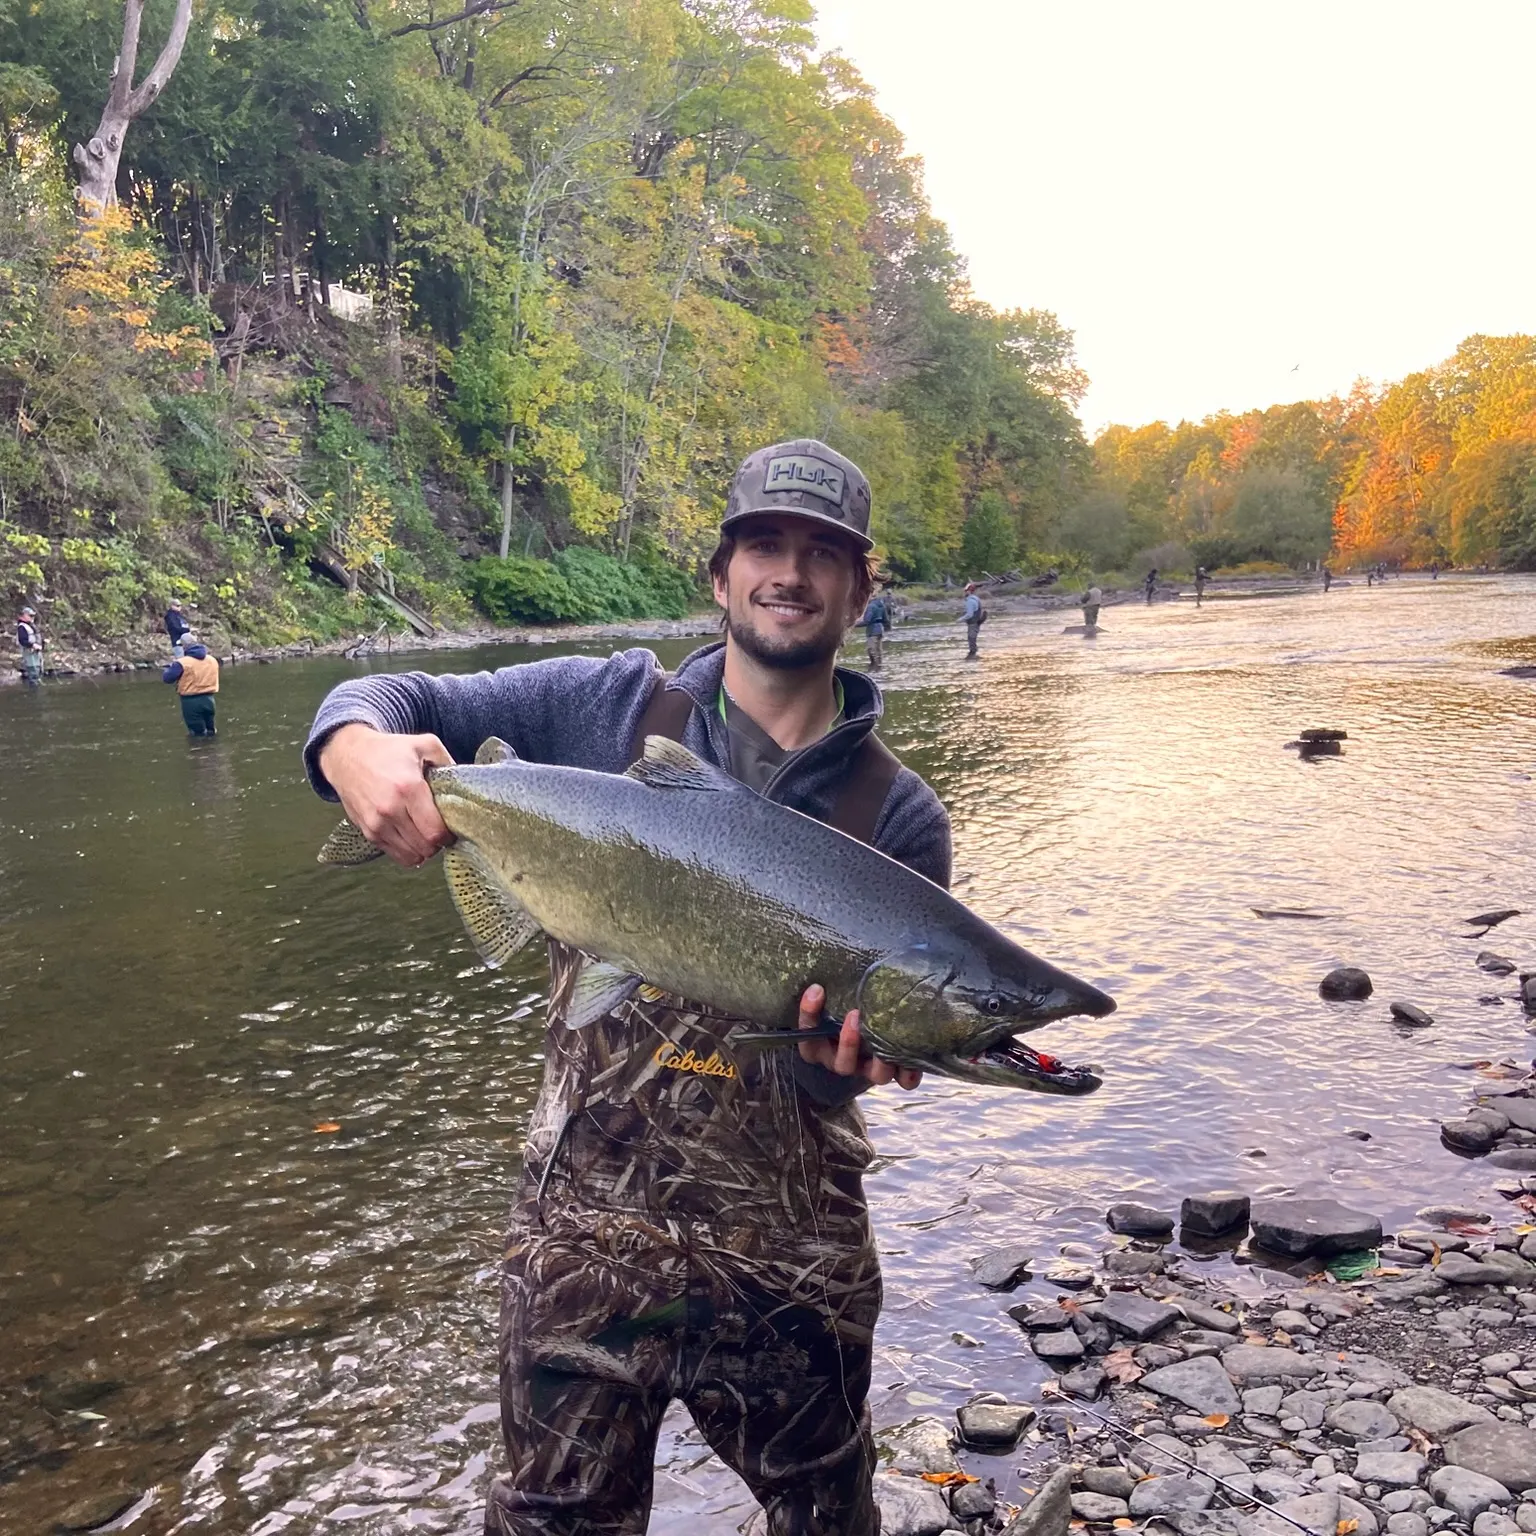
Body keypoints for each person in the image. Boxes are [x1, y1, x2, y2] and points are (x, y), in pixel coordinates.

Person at [304, 438, 951, 1536]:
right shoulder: (602, 707)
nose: (789, 572)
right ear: (721, 576)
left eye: (822, 554)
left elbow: (841, 1078)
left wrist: (839, 1069)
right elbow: (380, 692)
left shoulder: (899, 816)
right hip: (581, 1237)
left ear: (860, 590)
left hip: (795, 1261)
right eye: (764, 545)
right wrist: (350, 747)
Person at [162, 632, 219, 735]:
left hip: (191, 702)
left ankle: (198, 745)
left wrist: (170, 668)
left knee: (197, 733)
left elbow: (167, 678)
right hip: (209, 700)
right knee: (211, 731)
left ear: (184, 647)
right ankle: (213, 745)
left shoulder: (182, 663)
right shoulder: (212, 660)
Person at [859, 588, 889, 668]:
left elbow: (867, 621)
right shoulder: (881, 605)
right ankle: (879, 666)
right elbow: (886, 619)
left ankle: (873, 666)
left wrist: (853, 624)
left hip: (872, 631)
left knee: (871, 650)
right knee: (878, 650)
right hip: (880, 630)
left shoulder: (870, 606)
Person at [16, 604, 42, 686]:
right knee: (33, 674)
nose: (32, 617)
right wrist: (33, 645)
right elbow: (22, 641)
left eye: (33, 616)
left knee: (38, 672)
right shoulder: (21, 627)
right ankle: (33, 691)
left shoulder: (30, 625)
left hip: (35, 653)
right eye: (30, 615)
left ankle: (35, 688)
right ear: (24, 615)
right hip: (29, 654)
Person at [961, 581, 983, 658]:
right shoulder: (976, 599)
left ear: (969, 591)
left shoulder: (970, 601)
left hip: (973, 623)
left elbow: (969, 614)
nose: (964, 593)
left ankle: (972, 656)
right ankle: (974, 654)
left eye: (965, 591)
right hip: (977, 622)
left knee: (971, 638)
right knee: (973, 638)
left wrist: (960, 619)